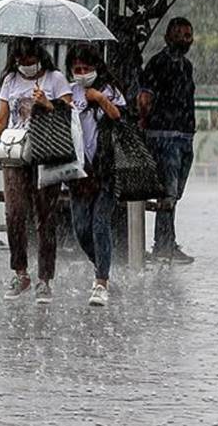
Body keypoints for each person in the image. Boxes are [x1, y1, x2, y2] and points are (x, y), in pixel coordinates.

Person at [0, 38, 72, 304]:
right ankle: (20, 272)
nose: (25, 66)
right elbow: (1, 118)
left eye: (29, 61)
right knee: (14, 212)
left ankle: (45, 278)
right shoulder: (10, 81)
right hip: (16, 154)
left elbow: (69, 114)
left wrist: (47, 104)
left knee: (45, 216)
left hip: (46, 153)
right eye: (20, 61)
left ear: (39, 57)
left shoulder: (55, 79)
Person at [66, 44, 125, 306]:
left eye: (86, 68)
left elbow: (119, 116)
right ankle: (101, 263)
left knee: (100, 223)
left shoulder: (110, 89)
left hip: (106, 169)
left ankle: (101, 281)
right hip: (79, 172)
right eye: (77, 69)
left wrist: (99, 98)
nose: (82, 73)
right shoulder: (68, 91)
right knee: (81, 228)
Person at [137, 17, 196, 264]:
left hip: (183, 135)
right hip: (163, 135)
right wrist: (145, 124)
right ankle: (163, 244)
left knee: (175, 192)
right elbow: (145, 99)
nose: (185, 39)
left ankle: (166, 240)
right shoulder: (157, 64)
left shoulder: (187, 66)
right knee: (168, 192)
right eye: (180, 34)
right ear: (167, 37)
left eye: (188, 35)